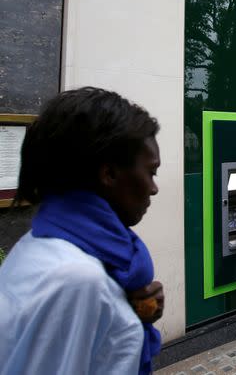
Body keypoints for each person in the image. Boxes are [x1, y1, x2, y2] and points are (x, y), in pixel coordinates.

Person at [0, 87, 164, 375]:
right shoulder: (78, 281)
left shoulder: (41, 245)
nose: (153, 187)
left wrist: (126, 309)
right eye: (150, 172)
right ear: (109, 173)